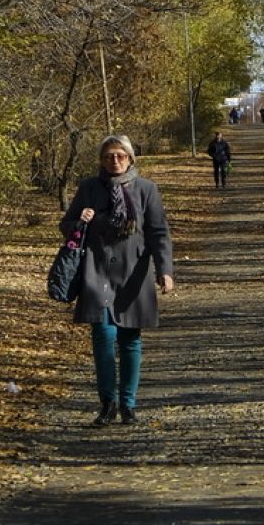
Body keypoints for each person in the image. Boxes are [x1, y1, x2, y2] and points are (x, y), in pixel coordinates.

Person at [61, 134, 175, 426]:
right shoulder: (89, 188)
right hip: (96, 271)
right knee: (103, 336)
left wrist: (165, 270)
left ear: (130, 158)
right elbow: (67, 226)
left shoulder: (146, 189)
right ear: (101, 160)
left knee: (129, 339)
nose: (115, 161)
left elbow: (158, 232)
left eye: (120, 156)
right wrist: (81, 220)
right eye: (109, 156)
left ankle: (128, 404)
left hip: (133, 273)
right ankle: (107, 403)